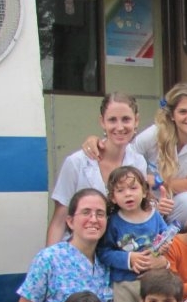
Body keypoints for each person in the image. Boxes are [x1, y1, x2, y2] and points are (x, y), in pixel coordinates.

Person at [47, 93, 148, 245]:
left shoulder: (138, 162)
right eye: (112, 120)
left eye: (126, 119)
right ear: (102, 122)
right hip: (79, 250)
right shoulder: (76, 162)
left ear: (136, 121)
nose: (120, 127)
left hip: (119, 250)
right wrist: (50, 262)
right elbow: (59, 220)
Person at [97, 166, 169, 302]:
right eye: (120, 191)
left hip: (154, 284)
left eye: (133, 188)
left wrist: (164, 250)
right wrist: (129, 259)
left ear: (144, 191)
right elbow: (104, 252)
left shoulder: (155, 216)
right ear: (113, 197)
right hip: (124, 284)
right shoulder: (113, 222)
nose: (128, 194)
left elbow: (166, 238)